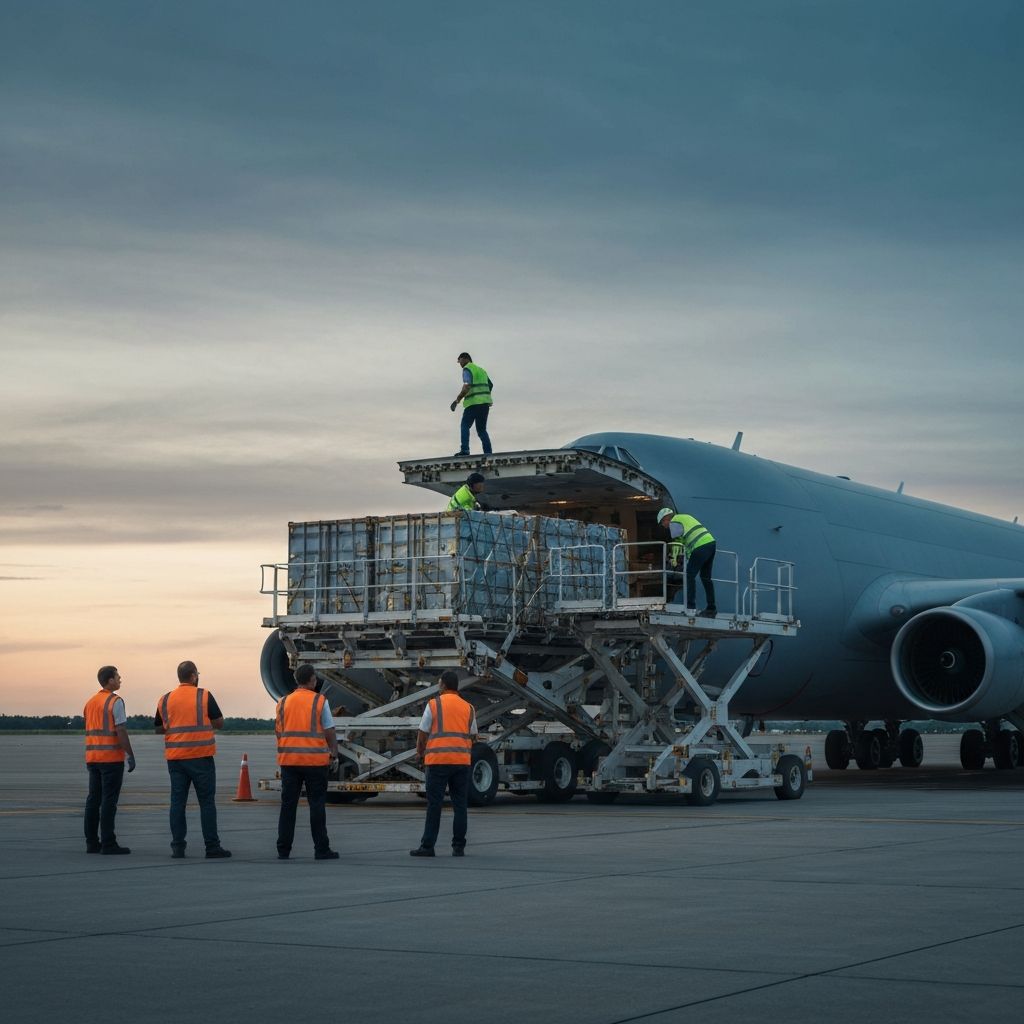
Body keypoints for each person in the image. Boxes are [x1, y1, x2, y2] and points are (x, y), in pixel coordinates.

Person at [154, 661, 231, 859]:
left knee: (177, 803)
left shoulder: (165, 699)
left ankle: (178, 847)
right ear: (194, 676)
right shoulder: (203, 695)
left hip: (176, 759)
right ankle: (212, 847)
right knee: (206, 803)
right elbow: (219, 723)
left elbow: (158, 728)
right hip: (200, 757)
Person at [275, 664, 341, 861]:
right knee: (317, 805)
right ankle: (321, 849)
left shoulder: (283, 701)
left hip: (289, 761)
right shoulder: (319, 701)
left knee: (288, 806)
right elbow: (329, 729)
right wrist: (334, 752)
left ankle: (283, 850)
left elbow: (278, 730)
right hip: (314, 761)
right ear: (312, 680)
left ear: (296, 680)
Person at [410, 670, 478, 858]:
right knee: (460, 805)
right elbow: (473, 735)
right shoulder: (468, 707)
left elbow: (423, 733)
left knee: (434, 805)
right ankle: (458, 847)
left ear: (442, 685)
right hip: (461, 762)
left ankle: (428, 846)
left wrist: (419, 752)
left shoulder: (434, 705)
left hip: (438, 761)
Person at [84, 666, 135, 854]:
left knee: (93, 800)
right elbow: (120, 730)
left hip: (93, 758)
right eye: (117, 676)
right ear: (110, 680)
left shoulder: (90, 702)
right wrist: (130, 754)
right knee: (108, 801)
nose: (120, 678)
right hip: (110, 759)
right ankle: (108, 843)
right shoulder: (115, 701)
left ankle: (91, 842)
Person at [657, 507, 717, 616]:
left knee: (689, 575)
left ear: (666, 518)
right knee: (706, 577)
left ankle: (691, 608)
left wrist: (674, 559)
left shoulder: (674, 521)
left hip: (700, 546)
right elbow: (686, 540)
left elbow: (677, 541)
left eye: (662, 522)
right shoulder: (685, 518)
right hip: (710, 543)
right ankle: (711, 608)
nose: (663, 526)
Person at [450, 352, 493, 456]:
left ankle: (465, 450)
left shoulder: (467, 369)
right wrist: (484, 396)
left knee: (464, 426)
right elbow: (490, 385)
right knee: (482, 430)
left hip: (473, 404)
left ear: (464, 358)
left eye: (459, 360)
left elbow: (467, 385)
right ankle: (488, 454)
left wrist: (457, 400)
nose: (459, 363)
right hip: (484, 404)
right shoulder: (481, 370)